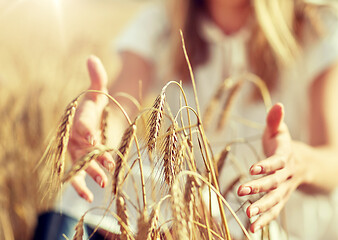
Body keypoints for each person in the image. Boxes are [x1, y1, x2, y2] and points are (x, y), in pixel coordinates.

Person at [39, 0, 338, 239]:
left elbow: (332, 159)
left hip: (267, 218)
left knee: (200, 205)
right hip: (185, 199)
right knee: (90, 189)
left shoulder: (316, 27)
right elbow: (119, 108)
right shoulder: (162, 23)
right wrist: (98, 129)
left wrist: (296, 163)